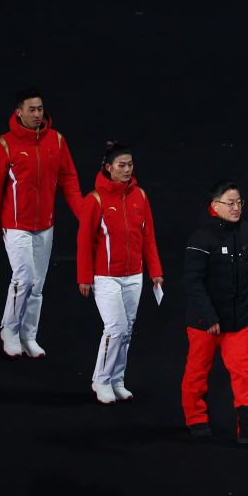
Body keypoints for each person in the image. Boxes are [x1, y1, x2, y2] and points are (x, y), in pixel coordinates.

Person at [0, 88, 83, 359]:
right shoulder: (3, 144)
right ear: (19, 112)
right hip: (15, 224)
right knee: (24, 278)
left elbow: (70, 181)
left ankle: (29, 335)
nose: (37, 114)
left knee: (37, 284)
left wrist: (85, 216)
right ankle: (10, 330)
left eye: (40, 109)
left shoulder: (57, 141)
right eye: (31, 110)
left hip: (45, 225)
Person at [181, 180, 248, 444]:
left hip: (237, 322)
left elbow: (247, 277)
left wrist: (244, 312)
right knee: (198, 371)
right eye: (230, 203)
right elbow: (192, 282)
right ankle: (196, 418)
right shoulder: (200, 239)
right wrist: (210, 318)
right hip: (205, 323)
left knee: (244, 373)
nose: (236, 208)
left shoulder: (246, 232)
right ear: (215, 205)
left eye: (239, 203)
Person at [77, 141, 163, 403]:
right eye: (121, 165)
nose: (127, 169)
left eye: (130, 165)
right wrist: (84, 277)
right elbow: (84, 242)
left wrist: (155, 271)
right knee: (115, 328)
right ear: (108, 167)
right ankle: (101, 380)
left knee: (128, 329)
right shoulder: (95, 200)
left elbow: (148, 238)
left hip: (134, 275)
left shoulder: (141, 197)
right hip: (106, 276)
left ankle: (117, 379)